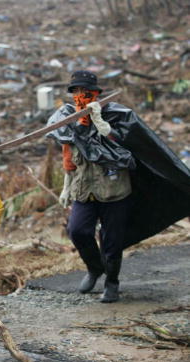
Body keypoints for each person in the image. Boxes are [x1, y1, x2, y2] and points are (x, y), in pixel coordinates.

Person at [48, 70, 190, 303]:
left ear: (95, 94)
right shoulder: (69, 123)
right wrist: (66, 186)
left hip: (114, 189)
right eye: (76, 92)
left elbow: (132, 153)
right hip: (85, 190)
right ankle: (95, 268)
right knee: (78, 231)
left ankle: (112, 282)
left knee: (112, 240)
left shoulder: (116, 118)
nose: (81, 97)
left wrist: (104, 128)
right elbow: (69, 158)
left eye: (86, 92)